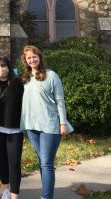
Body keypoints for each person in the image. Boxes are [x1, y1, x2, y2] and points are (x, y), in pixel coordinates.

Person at [20, 45, 68, 199]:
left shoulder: (51, 76)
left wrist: (63, 123)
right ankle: (47, 193)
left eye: (34, 56)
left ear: (39, 57)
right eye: (29, 58)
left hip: (49, 126)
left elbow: (60, 101)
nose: (32, 59)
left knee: (46, 163)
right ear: (25, 61)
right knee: (43, 162)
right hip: (31, 126)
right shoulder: (25, 79)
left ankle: (46, 197)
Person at [0, 56, 24, 199]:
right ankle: (6, 190)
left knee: (14, 163)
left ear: (9, 67)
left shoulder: (18, 83)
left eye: (3, 66)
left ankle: (15, 195)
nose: (0, 69)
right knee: (2, 159)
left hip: (15, 130)